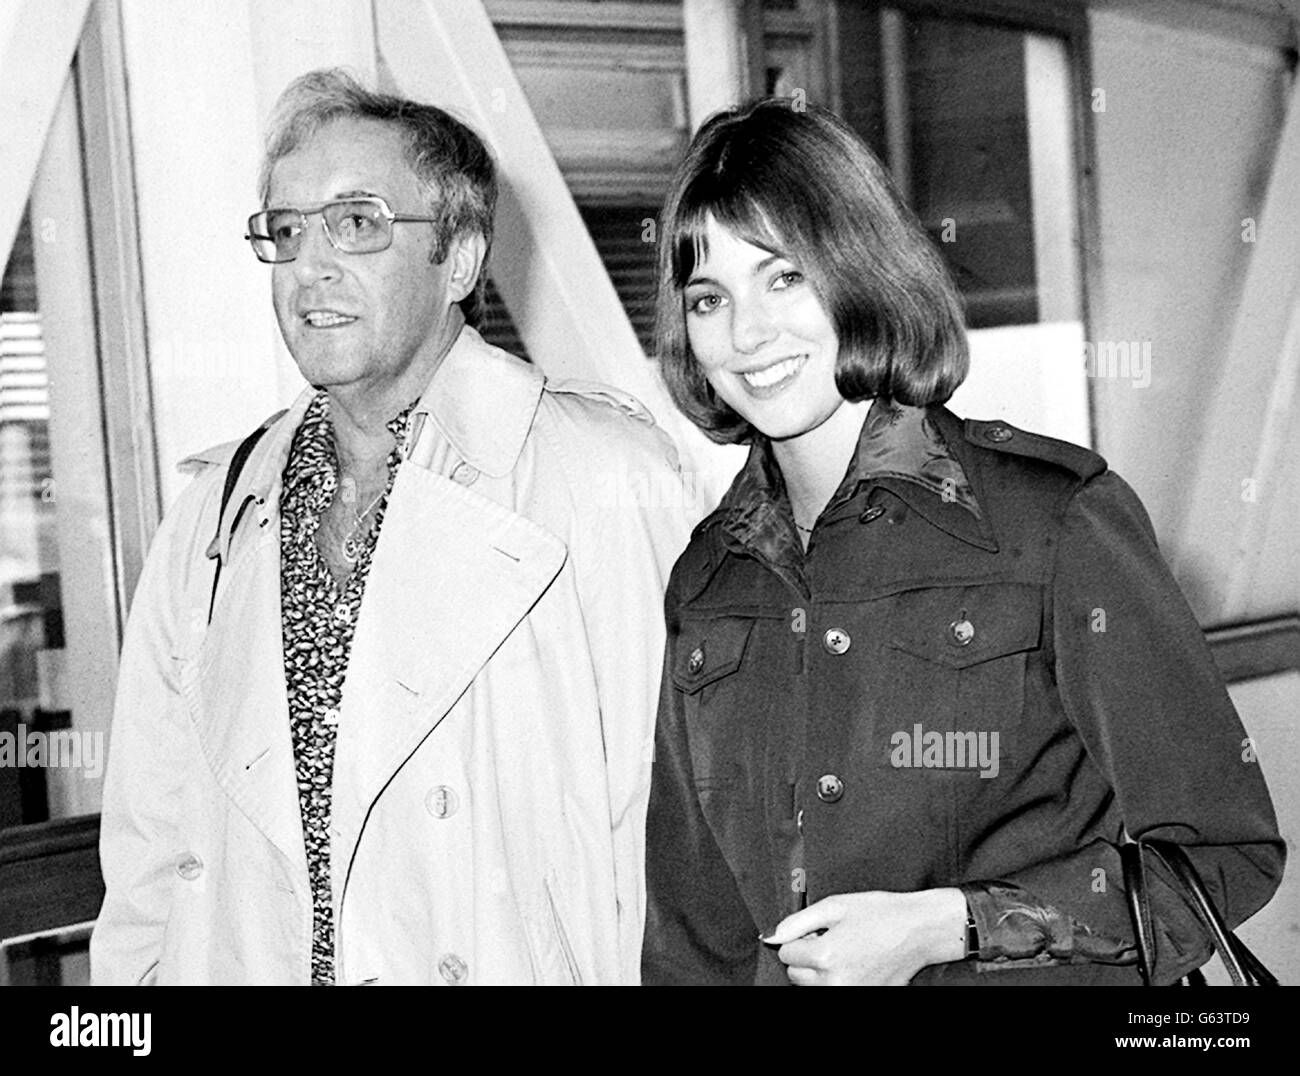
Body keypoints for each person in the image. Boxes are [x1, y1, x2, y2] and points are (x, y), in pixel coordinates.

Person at [641, 98, 1284, 986]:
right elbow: (693, 934)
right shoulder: (708, 580)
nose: (746, 334)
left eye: (784, 278)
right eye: (710, 298)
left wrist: (950, 927)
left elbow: (1220, 857)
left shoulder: (1054, 522)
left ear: (862, 271)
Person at [91, 68, 690, 985]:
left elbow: (669, 827)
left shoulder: (598, 476)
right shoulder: (214, 512)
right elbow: (146, 856)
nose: (310, 267)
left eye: (357, 224)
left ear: (458, 259)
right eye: (286, 232)